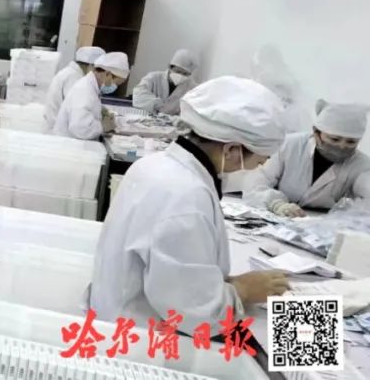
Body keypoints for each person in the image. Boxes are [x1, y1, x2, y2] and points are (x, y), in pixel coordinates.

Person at [89, 76, 290, 334]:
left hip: (121, 313)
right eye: (260, 161)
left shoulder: (156, 165)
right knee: (289, 345)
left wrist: (223, 284)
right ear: (231, 150)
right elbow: (197, 315)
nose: (258, 168)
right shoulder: (187, 197)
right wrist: (243, 291)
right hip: (144, 338)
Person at [244, 100, 370, 216]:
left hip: (319, 223)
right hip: (273, 214)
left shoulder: (362, 165)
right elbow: (255, 184)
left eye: (351, 142)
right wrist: (276, 204)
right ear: (316, 133)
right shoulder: (288, 145)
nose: (342, 146)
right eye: (334, 139)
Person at [52, 52, 130, 140]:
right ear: (108, 74)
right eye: (116, 83)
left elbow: (88, 108)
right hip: (70, 143)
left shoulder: (91, 86)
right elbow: (79, 128)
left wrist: (102, 111)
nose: (115, 87)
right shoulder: (84, 89)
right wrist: (103, 126)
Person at [43, 46, 105, 131]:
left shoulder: (70, 73)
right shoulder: (74, 77)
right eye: (98, 70)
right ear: (91, 66)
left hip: (58, 128)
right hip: (59, 131)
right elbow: (77, 109)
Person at [132, 49, 199, 115]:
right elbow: (138, 94)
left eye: (185, 74)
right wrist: (157, 105)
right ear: (170, 67)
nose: (181, 76)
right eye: (178, 72)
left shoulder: (192, 88)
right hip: (147, 117)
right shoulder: (153, 77)